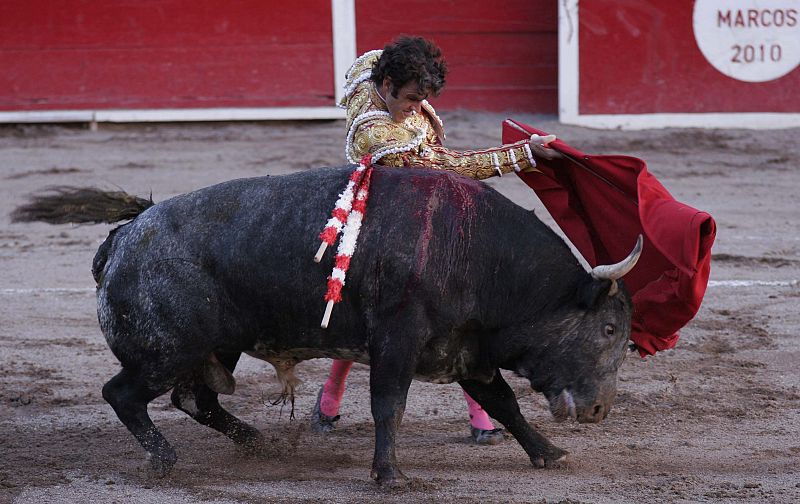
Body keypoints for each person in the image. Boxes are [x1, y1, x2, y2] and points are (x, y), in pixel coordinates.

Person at [311, 36, 562, 444]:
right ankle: (476, 415)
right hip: (387, 223)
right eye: (411, 98)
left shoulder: (375, 68)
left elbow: (388, 59)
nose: (416, 107)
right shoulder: (377, 135)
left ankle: (329, 400)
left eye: (422, 98)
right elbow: (449, 165)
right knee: (432, 318)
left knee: (390, 321)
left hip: (418, 207)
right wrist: (522, 154)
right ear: (387, 85)